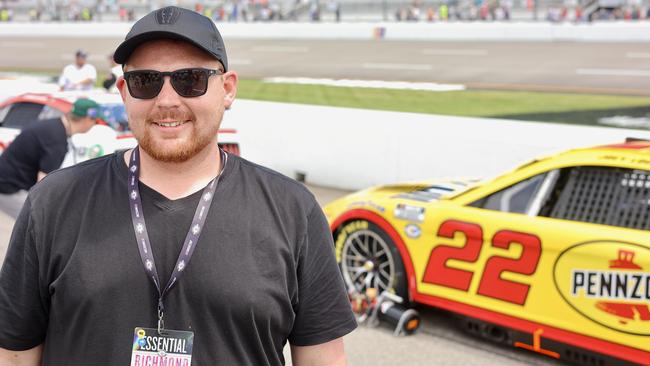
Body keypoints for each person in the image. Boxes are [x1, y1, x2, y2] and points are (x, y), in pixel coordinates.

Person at [0, 6, 356, 366]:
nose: (167, 101)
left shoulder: (293, 210)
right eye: (146, 81)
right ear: (124, 92)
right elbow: (15, 354)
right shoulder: (53, 203)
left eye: (190, 79)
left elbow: (323, 357)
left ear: (228, 89)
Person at [0, 98, 99, 194]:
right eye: (95, 121)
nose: (94, 124)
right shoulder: (57, 139)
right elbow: (44, 184)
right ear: (87, 119)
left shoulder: (54, 126)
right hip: (9, 189)